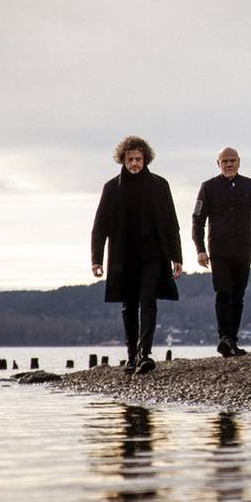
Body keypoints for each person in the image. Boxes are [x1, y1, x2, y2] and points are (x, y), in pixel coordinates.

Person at [90, 136, 183, 374]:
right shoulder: (112, 187)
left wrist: (177, 257)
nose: (134, 163)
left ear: (145, 159)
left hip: (153, 255)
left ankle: (145, 354)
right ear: (123, 159)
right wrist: (96, 260)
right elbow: (100, 226)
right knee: (129, 305)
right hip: (123, 257)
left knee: (148, 301)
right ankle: (132, 355)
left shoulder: (160, 185)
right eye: (130, 159)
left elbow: (171, 224)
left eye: (138, 159)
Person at [192, 147, 251, 357]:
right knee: (223, 293)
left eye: (232, 161)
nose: (229, 164)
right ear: (218, 163)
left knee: (238, 296)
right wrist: (200, 249)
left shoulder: (250, 185)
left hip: (243, 249)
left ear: (239, 162)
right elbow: (197, 220)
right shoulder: (208, 187)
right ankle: (224, 338)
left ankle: (232, 340)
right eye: (225, 161)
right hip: (219, 251)